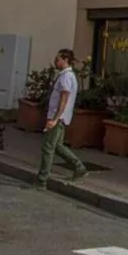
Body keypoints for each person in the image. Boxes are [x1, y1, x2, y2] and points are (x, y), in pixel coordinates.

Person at [36, 48, 88, 189]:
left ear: (65, 60)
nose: (55, 61)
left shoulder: (66, 77)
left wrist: (54, 118)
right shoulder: (69, 76)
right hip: (60, 117)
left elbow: (63, 99)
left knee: (48, 147)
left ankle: (42, 179)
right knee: (57, 146)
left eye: (58, 59)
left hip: (57, 117)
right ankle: (79, 167)